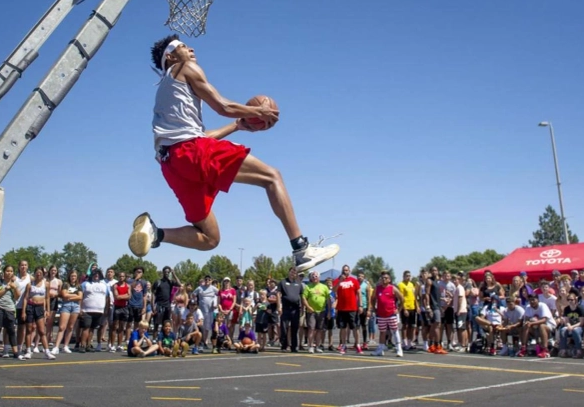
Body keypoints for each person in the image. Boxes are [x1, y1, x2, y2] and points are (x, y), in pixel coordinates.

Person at [128, 36, 339, 273]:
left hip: (172, 165)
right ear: (171, 57)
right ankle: (301, 249)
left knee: (209, 238)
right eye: (182, 46)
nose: (190, 48)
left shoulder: (165, 92)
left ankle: (155, 233)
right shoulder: (185, 67)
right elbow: (222, 106)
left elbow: (198, 137)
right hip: (190, 152)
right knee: (272, 176)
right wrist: (257, 110)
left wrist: (237, 126)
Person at [370, 270, 405, 357]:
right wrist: (374, 309)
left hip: (391, 314)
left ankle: (399, 349)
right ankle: (380, 349)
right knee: (382, 332)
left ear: (389, 280)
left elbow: (402, 299)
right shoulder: (377, 288)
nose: (384, 279)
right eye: (382, 278)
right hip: (381, 315)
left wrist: (399, 309)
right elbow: (372, 298)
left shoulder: (392, 288)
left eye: (386, 278)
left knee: (395, 331)